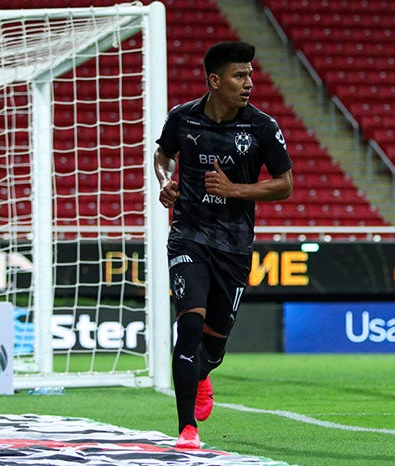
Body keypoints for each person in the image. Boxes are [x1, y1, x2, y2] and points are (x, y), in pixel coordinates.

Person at [153, 41, 293, 449]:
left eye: (250, 74)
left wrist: (235, 189)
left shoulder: (262, 127)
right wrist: (166, 184)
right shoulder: (182, 118)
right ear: (215, 81)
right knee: (190, 324)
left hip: (233, 245)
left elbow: (285, 185)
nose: (249, 82)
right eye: (240, 75)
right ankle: (186, 430)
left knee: (213, 347)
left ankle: (202, 374)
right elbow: (163, 155)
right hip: (188, 235)